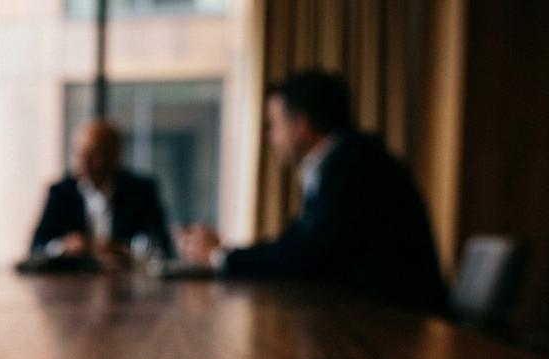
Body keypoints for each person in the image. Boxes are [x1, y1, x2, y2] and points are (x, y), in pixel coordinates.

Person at [176, 70, 447, 314]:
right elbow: (296, 244)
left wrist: (220, 256)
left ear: (301, 126)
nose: (272, 137)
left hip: (396, 326)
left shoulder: (356, 166)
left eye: (274, 124)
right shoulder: (344, 160)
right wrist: (225, 253)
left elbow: (306, 256)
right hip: (376, 316)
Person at [29, 119, 175, 267]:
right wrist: (63, 246)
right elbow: (37, 246)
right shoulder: (60, 193)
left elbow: (160, 243)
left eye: (98, 154)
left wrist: (121, 248)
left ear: (115, 155)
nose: (93, 162)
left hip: (126, 280)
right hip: (72, 282)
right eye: (83, 154)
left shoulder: (141, 191)